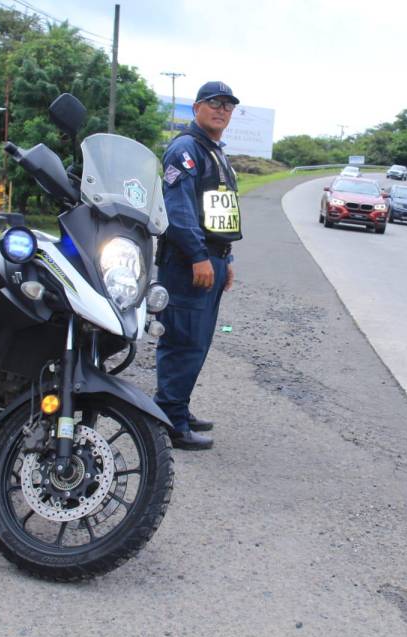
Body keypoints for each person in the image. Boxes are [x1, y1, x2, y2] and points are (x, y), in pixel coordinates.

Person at [153, 81, 243, 451]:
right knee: (183, 340)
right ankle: (170, 420)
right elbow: (179, 209)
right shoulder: (185, 149)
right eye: (214, 103)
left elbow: (219, 210)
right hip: (190, 262)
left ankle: (179, 408)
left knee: (199, 341)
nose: (221, 109)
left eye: (228, 105)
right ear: (196, 108)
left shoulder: (214, 151)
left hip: (212, 258)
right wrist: (198, 256)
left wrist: (227, 258)